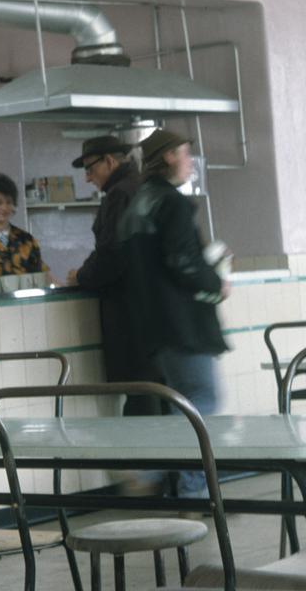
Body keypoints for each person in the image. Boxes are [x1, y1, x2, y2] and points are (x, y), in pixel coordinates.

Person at [118, 129, 230, 497]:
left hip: (151, 327)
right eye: (184, 153)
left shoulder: (136, 205)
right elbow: (183, 262)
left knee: (182, 405)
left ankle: (186, 488)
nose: (189, 161)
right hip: (185, 325)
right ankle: (162, 477)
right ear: (168, 157)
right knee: (202, 403)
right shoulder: (173, 204)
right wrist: (216, 283)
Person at [65, 135, 159, 415]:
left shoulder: (120, 194)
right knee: (156, 395)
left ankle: (143, 460)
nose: (87, 178)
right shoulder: (146, 187)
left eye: (90, 169)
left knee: (142, 401)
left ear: (110, 160)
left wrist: (81, 276)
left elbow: (113, 254)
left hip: (131, 313)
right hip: (154, 314)